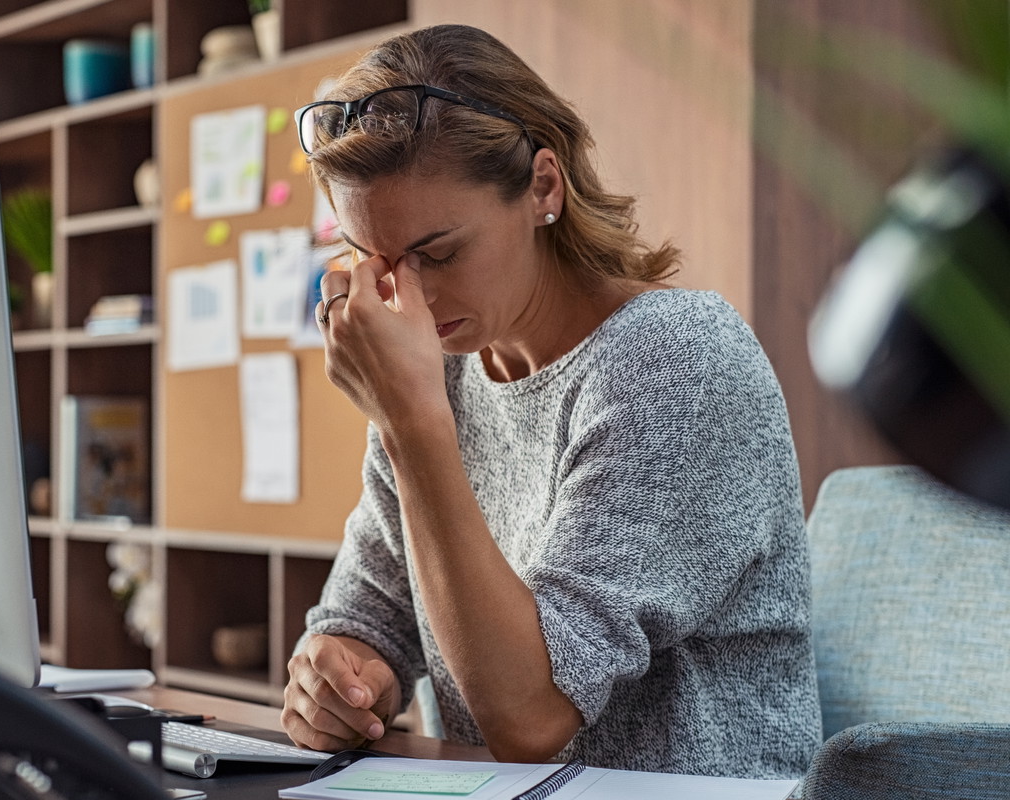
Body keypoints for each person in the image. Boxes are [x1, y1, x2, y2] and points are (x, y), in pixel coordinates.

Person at [281, 24, 821, 779]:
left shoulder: (676, 360)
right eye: (377, 261)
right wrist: (337, 676)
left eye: (439, 254)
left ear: (544, 186)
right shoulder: (441, 374)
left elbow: (530, 716)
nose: (409, 297)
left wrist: (410, 423)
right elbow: (370, 614)